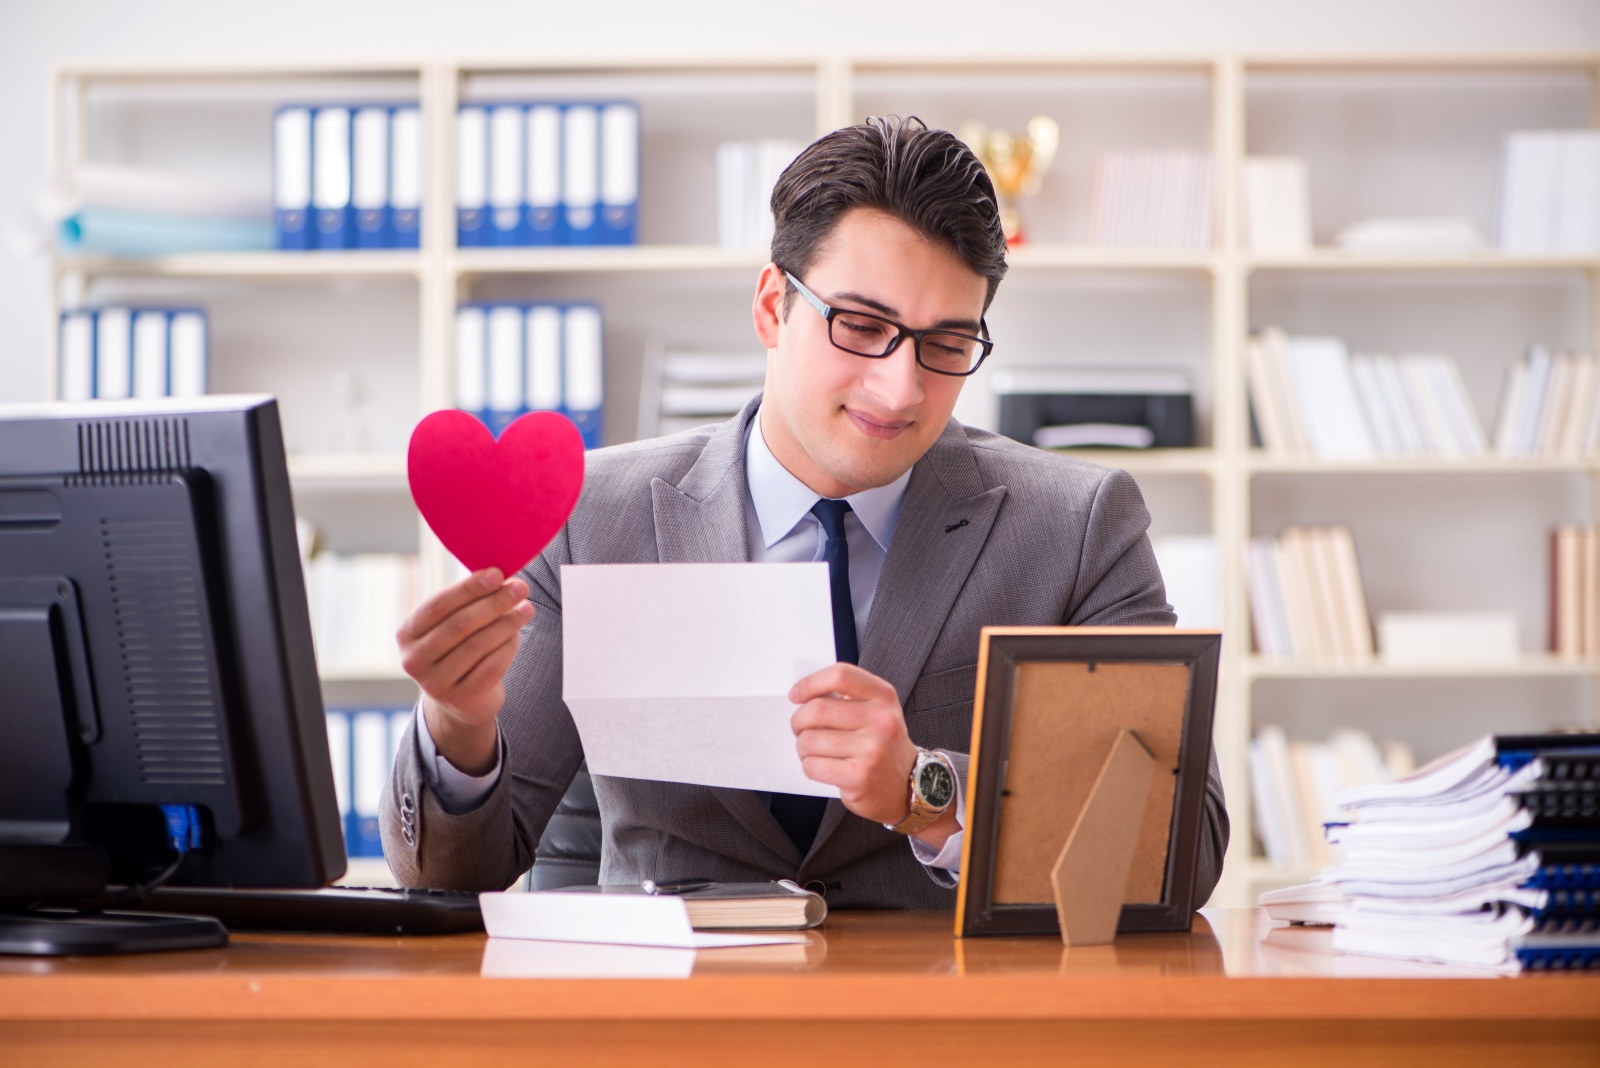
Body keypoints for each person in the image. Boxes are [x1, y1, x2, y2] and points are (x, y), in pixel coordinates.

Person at [383, 116, 1228, 908]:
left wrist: (929, 792)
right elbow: (454, 874)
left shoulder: (1077, 527)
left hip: (943, 1027)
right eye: (862, 325)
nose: (901, 389)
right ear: (770, 307)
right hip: (675, 1024)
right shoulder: (591, 517)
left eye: (947, 344)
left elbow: (1182, 850)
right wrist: (458, 723)